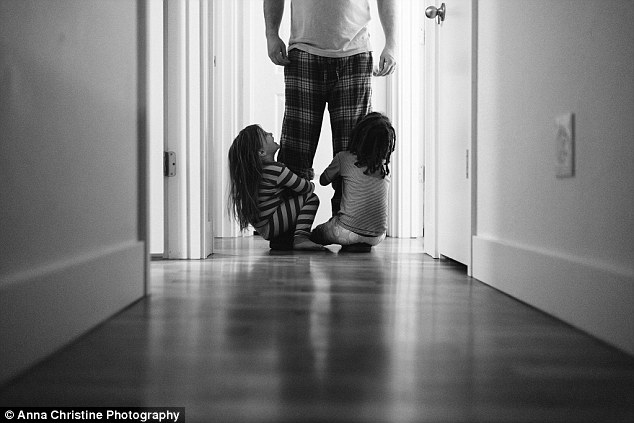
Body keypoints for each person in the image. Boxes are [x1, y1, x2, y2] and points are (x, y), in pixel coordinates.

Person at [263, 0, 397, 218]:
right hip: (303, 52)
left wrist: (391, 44)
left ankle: (349, 226)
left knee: (354, 154)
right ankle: (289, 227)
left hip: (355, 55)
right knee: (296, 151)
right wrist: (271, 34)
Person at [228, 124, 325, 251]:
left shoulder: (258, 172)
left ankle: (288, 239)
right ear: (261, 152)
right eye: (265, 135)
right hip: (271, 225)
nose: (270, 133)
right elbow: (306, 188)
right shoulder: (276, 170)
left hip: (263, 227)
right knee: (311, 198)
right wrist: (308, 178)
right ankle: (301, 238)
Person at [310, 112, 396, 252]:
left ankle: (351, 240)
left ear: (358, 135)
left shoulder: (344, 157)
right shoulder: (384, 167)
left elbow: (323, 180)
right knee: (355, 230)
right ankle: (360, 244)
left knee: (318, 232)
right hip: (377, 236)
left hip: (345, 231)